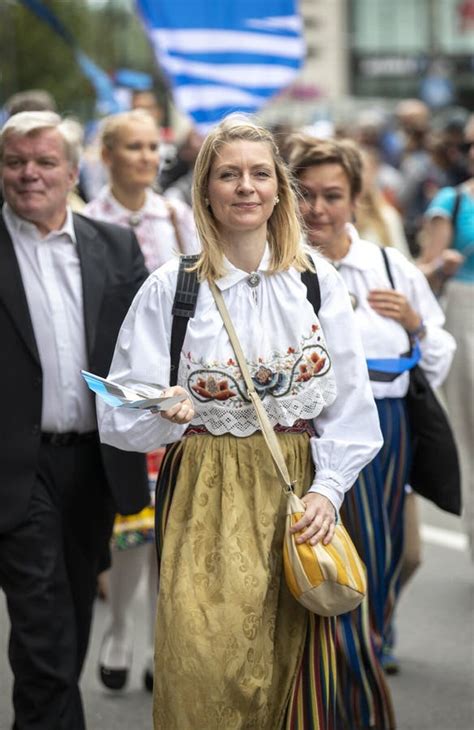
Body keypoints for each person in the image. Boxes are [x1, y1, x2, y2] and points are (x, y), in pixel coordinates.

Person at [98, 114, 383, 729]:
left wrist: (328, 492)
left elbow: (352, 407)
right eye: (228, 175)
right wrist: (163, 408)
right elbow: (118, 413)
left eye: (259, 173)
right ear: (206, 191)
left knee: (288, 669)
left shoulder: (314, 281)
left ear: (280, 187)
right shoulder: (171, 288)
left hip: (298, 493)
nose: (245, 187)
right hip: (204, 491)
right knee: (203, 664)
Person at [288, 134, 456, 728]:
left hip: (384, 432)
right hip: (301, 437)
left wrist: (414, 324)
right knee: (308, 574)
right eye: (304, 194)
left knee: (373, 571)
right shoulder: (280, 268)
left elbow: (438, 354)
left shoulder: (388, 266)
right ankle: (325, 702)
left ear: (357, 199)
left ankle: (356, 695)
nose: (318, 209)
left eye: (333, 195)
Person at [0, 110, 149, 730]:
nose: (29, 174)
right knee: (43, 627)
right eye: (14, 162)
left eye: (44, 162)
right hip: (14, 468)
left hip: (93, 463)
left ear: (70, 171)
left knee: (73, 616)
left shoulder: (113, 246)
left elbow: (151, 350)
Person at [84, 108, 199, 693]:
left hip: (172, 390)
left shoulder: (179, 217)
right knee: (129, 521)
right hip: (114, 387)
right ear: (106, 155)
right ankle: (120, 630)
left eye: (153, 147)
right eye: (133, 147)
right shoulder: (86, 220)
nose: (147, 158)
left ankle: (158, 642)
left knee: (168, 523)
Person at [422, 114, 474, 559]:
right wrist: (443, 266)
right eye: (470, 143)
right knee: (470, 437)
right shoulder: (452, 201)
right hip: (465, 312)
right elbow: (422, 273)